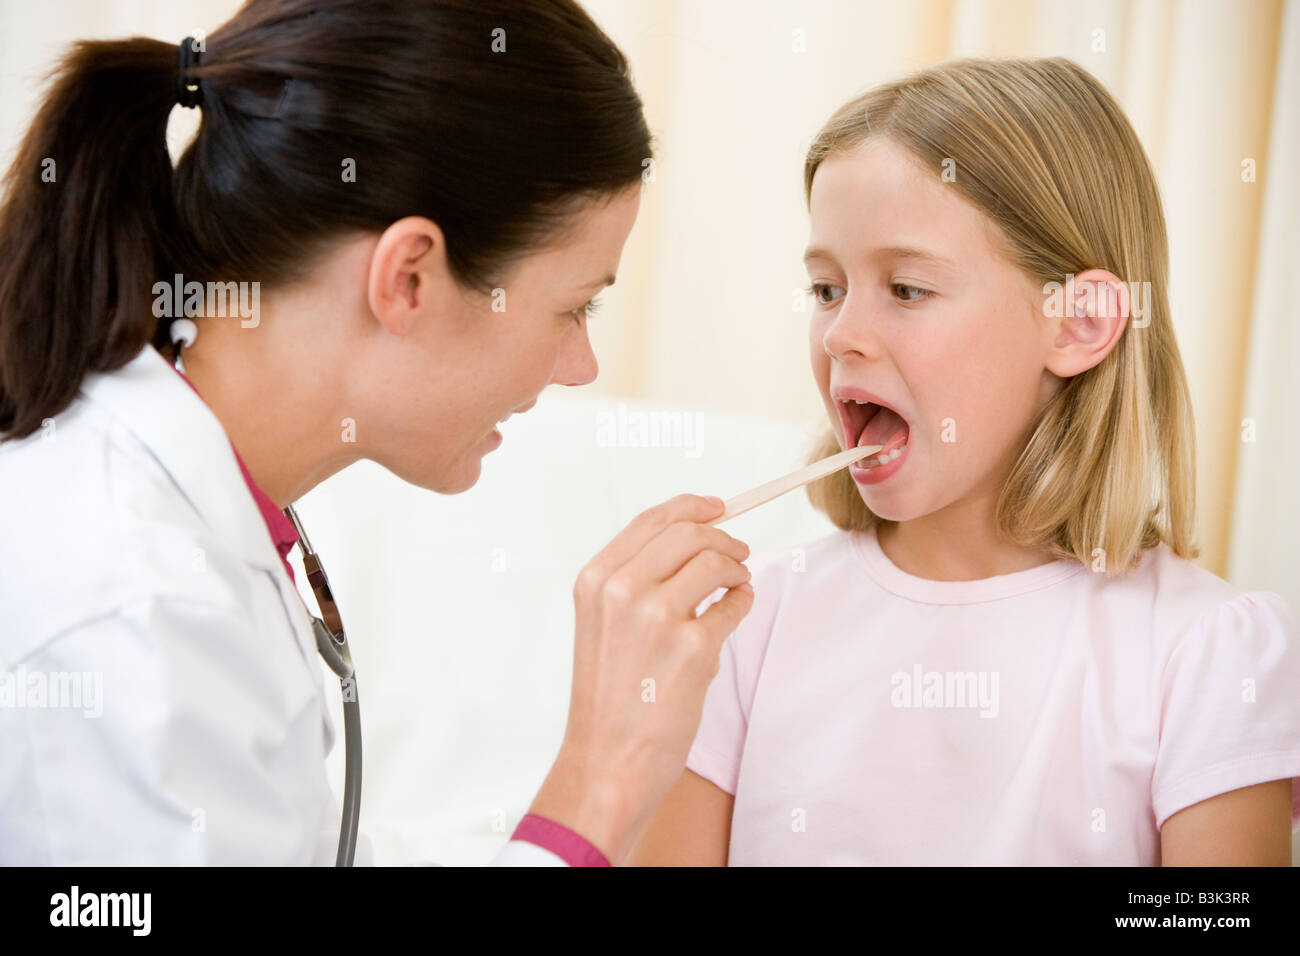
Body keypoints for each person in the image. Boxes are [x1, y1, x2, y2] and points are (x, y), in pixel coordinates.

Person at [0, 0, 754, 866]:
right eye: (573, 305)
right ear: (408, 278)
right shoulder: (130, 608)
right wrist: (603, 778)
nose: (579, 366)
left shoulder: (188, 519)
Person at [630, 57, 1300, 866]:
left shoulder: (1205, 652)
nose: (840, 334)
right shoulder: (747, 628)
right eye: (827, 289)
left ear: (1078, 322)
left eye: (907, 288)